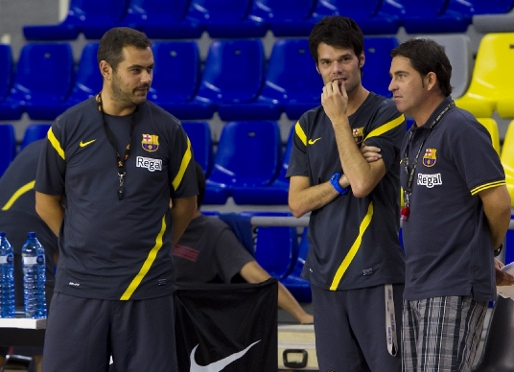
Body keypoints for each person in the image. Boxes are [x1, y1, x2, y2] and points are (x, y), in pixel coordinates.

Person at [34, 27, 197, 372]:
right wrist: (78, 241)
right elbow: (45, 200)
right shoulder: (67, 127)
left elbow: (186, 205)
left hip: (147, 287)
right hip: (80, 285)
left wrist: (156, 249)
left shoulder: (169, 130)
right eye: (135, 70)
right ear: (106, 70)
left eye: (150, 69)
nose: (146, 78)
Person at [286, 16, 406, 371]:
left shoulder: (387, 113)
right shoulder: (307, 124)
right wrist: (339, 182)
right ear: (317, 66)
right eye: (326, 62)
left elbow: (365, 184)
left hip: (375, 272)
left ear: (362, 59)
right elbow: (297, 203)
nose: (335, 70)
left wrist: (339, 119)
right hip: (324, 276)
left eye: (344, 59)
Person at [388, 38, 513, 372]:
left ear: (430, 80)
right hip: (418, 285)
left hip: (452, 286)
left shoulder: (461, 128)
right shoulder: (413, 135)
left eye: (401, 76)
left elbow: (499, 203)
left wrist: (488, 250)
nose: (391, 86)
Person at [173, 162, 314, 324]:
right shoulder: (158, 230)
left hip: (190, 321)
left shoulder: (213, 233)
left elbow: (257, 276)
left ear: (193, 197)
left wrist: (300, 315)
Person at [0, 139, 57, 372]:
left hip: (9, 246)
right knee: (49, 346)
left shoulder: (37, 149)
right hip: (22, 252)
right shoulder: (74, 159)